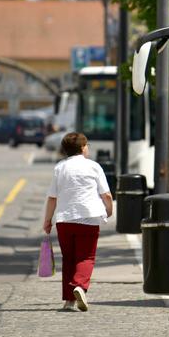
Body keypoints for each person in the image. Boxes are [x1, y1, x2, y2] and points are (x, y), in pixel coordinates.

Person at [43, 132, 113, 312]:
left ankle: (68, 300)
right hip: (89, 217)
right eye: (87, 145)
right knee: (86, 256)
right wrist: (109, 210)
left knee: (69, 259)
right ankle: (80, 286)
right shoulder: (94, 166)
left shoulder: (60, 167)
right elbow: (106, 194)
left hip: (65, 220)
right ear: (82, 148)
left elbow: (52, 198)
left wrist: (47, 220)